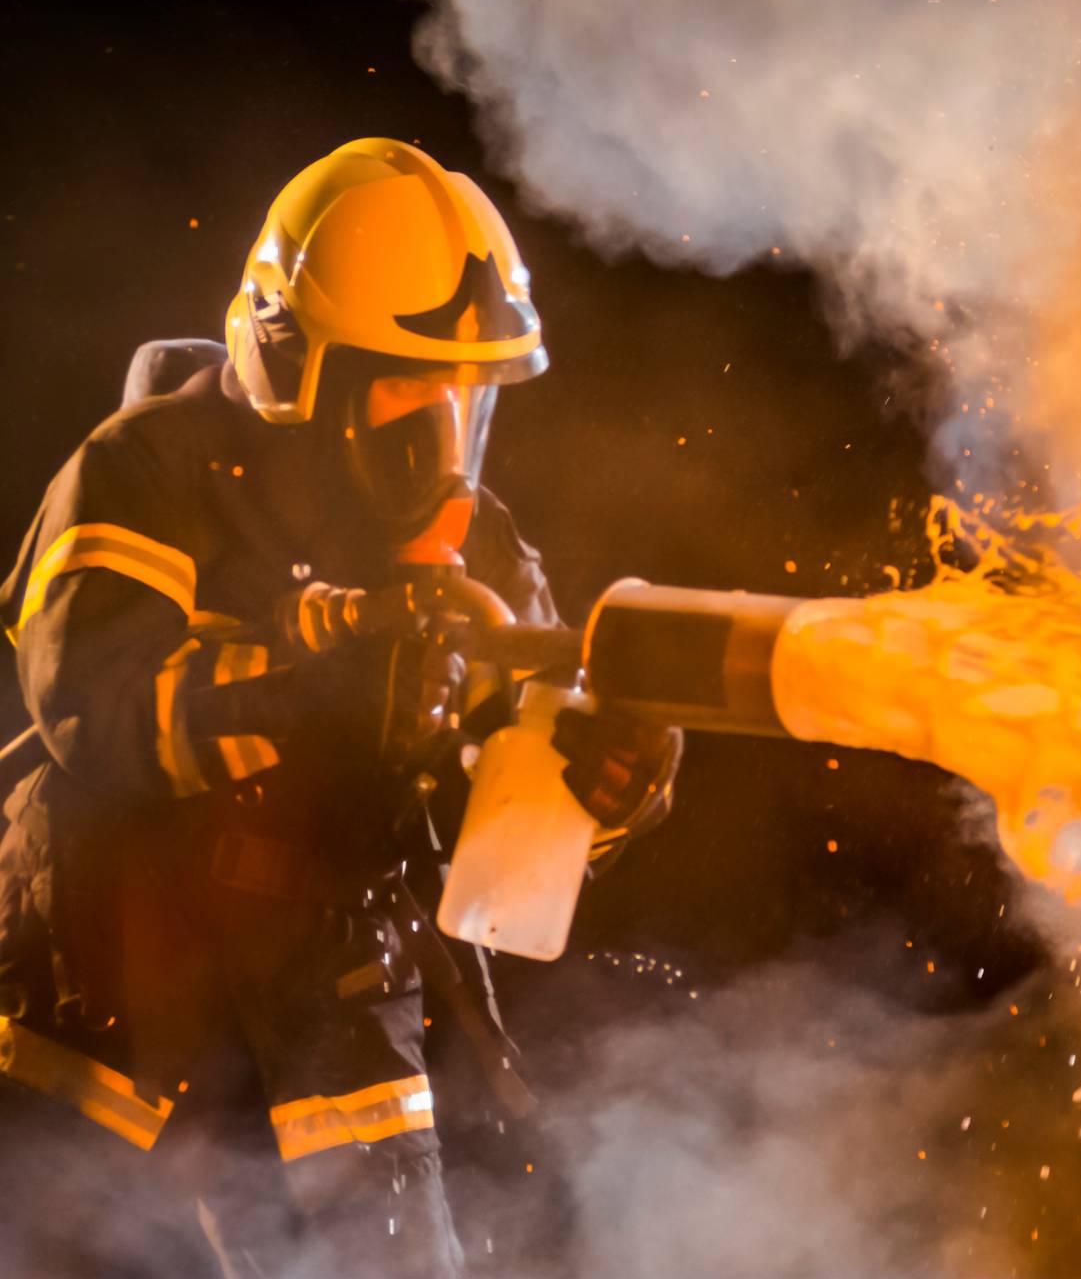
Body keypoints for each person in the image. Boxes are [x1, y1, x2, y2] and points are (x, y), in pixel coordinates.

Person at [0, 137, 680, 1276]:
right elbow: (93, 705)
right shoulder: (143, 474)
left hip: (335, 1008)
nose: (443, 447)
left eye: (463, 401)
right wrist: (319, 684)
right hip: (103, 993)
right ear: (295, 371)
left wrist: (593, 788)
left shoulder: (484, 552)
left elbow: (494, 847)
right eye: (407, 395)